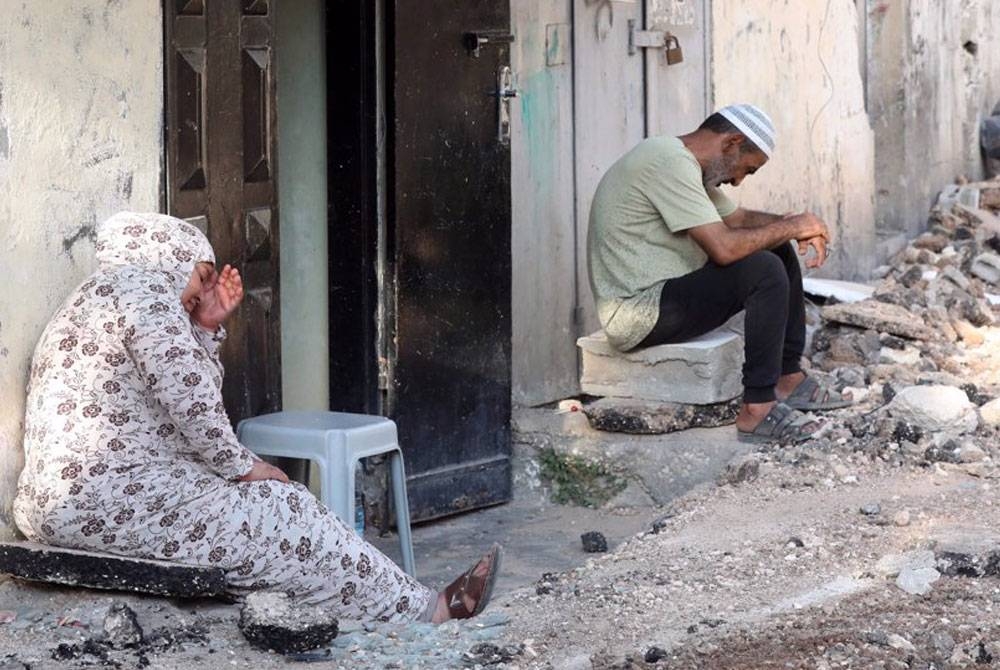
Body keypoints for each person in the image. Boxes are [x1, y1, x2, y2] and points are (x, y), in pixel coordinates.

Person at [13, 211, 500, 624]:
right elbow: (190, 400)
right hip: (100, 502)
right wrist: (241, 466)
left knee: (274, 506)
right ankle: (426, 611)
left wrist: (204, 328)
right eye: (201, 276)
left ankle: (412, 603)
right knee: (280, 510)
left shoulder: (114, 294)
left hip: (83, 501)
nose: (204, 292)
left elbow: (180, 386)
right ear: (167, 259)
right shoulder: (146, 298)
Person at [587, 104, 852, 444]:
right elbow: (724, 248)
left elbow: (738, 220)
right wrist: (792, 226)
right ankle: (757, 409)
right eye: (747, 169)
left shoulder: (683, 162)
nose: (738, 180)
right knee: (763, 268)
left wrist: (795, 226)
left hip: (666, 293)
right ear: (732, 143)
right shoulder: (665, 162)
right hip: (636, 312)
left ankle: (788, 378)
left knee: (777, 248)